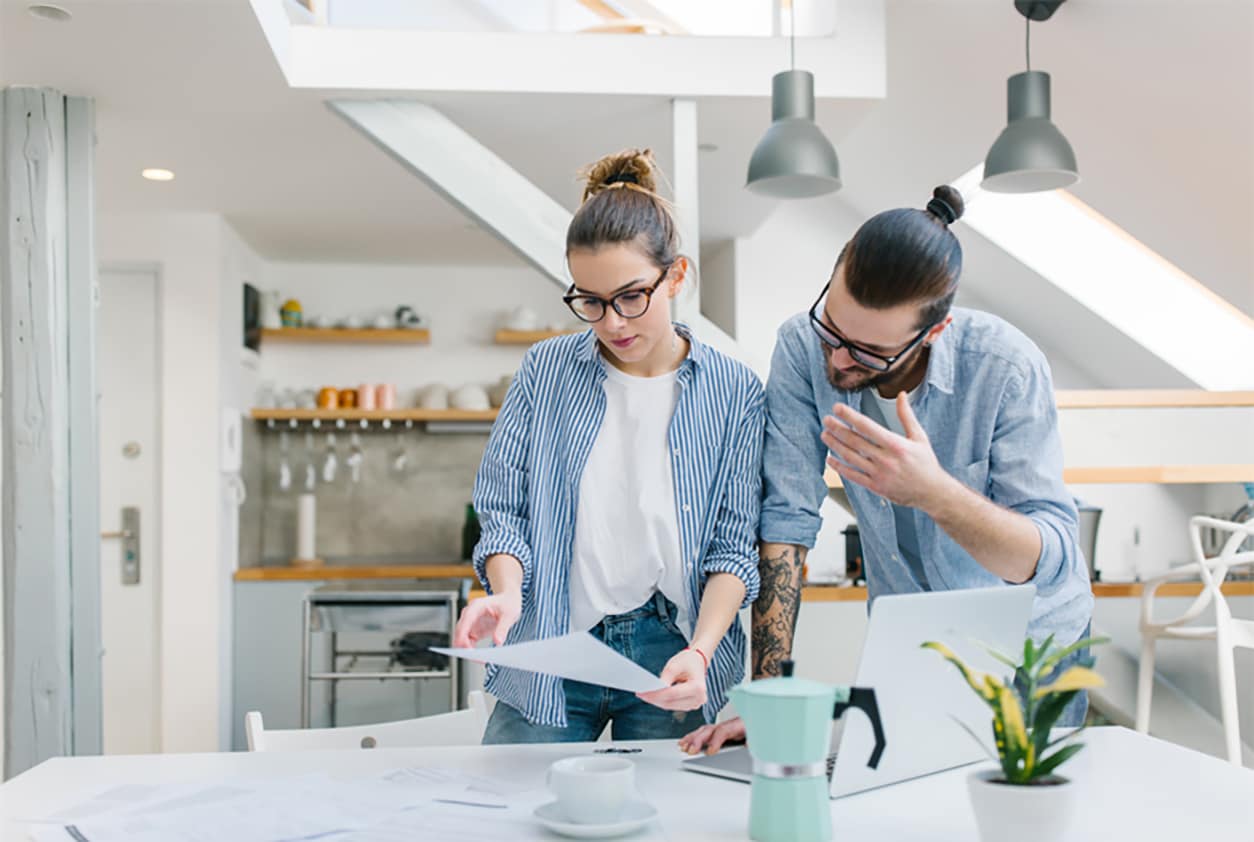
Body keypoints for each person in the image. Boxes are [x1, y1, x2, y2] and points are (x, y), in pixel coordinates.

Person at [680, 186, 1095, 755]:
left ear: (933, 333)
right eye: (834, 326)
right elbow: (786, 524)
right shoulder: (803, 349)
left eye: (869, 352)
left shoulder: (1004, 366)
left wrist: (935, 494)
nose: (840, 359)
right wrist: (771, 694)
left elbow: (1045, 559)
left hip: (1029, 649)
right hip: (913, 644)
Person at [454, 148, 764, 744]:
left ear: (675, 276)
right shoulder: (546, 371)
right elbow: (503, 510)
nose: (613, 323)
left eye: (630, 297)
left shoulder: (734, 392)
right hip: (548, 638)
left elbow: (733, 548)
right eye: (590, 302)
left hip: (670, 649)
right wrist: (507, 594)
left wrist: (700, 653)